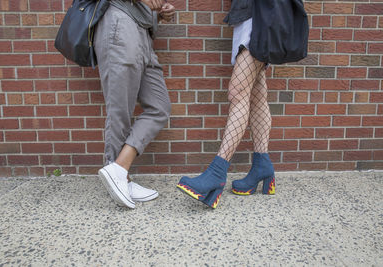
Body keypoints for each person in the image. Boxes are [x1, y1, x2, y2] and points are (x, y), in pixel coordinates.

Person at [177, 0, 275, 208]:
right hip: (251, 16)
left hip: (259, 17)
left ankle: (217, 172)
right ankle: (262, 164)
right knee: (256, 94)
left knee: (238, 92)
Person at [95, 0, 175, 209]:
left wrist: (157, 14)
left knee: (159, 107)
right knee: (120, 109)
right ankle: (121, 178)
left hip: (143, 34)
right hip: (120, 25)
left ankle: (119, 168)